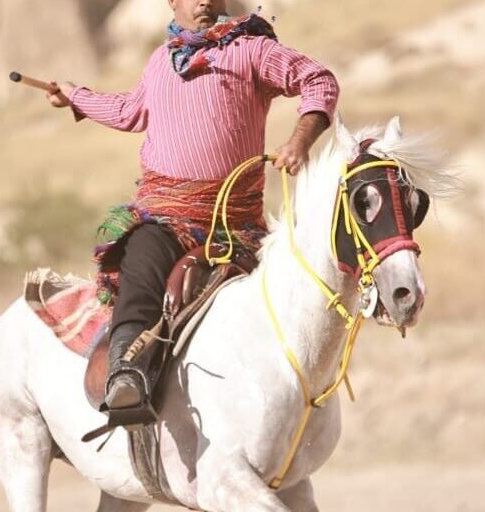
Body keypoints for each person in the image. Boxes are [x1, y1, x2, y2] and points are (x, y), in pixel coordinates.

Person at [48, 0, 339, 424]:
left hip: (236, 227)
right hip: (163, 217)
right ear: (172, 2)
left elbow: (319, 79)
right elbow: (131, 112)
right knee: (141, 265)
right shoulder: (159, 61)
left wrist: (300, 141)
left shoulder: (252, 49)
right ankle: (127, 373)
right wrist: (76, 96)